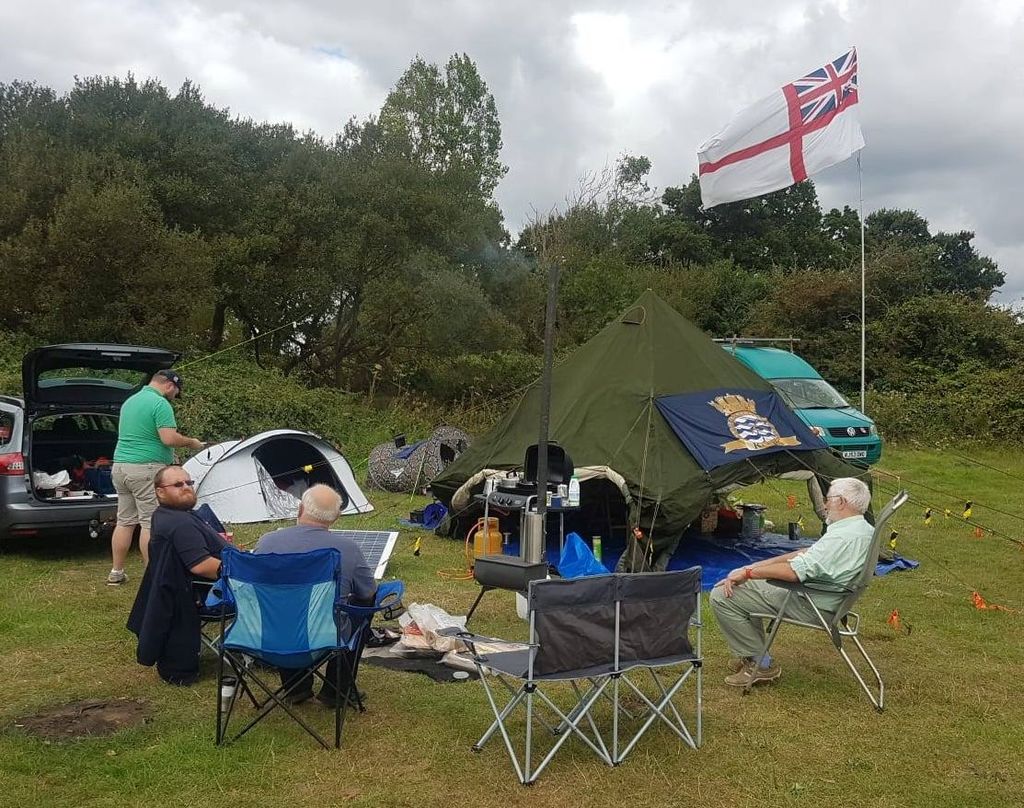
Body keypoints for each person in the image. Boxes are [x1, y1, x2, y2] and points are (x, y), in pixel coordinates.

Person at [709, 477, 874, 688]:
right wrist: (754, 566)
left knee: (723, 595)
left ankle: (761, 664)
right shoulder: (861, 528)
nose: (825, 504)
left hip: (812, 603)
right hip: (829, 598)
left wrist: (748, 573)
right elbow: (806, 553)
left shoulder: (841, 538)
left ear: (841, 502)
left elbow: (793, 572)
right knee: (744, 586)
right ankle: (754, 655)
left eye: (828, 499)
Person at [255, 484, 376, 706]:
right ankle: (336, 690)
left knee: (283, 608)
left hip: (266, 633)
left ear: (300, 509)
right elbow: (367, 592)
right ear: (336, 517)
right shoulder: (347, 549)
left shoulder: (267, 542)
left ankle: (295, 687)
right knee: (363, 606)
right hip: (326, 635)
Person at [126, 465, 231, 685]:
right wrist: (247, 571)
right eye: (177, 484)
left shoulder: (165, 515)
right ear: (160, 492)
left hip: (183, 591)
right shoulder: (180, 524)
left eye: (189, 483)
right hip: (211, 593)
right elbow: (201, 566)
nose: (186, 487)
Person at [108, 369, 205, 585]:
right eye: (176, 392)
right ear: (170, 385)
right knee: (149, 522)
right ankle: (153, 575)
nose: (174, 397)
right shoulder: (160, 404)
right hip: (145, 469)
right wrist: (191, 442)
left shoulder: (130, 401)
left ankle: (117, 571)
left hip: (121, 467)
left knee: (125, 521)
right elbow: (168, 438)